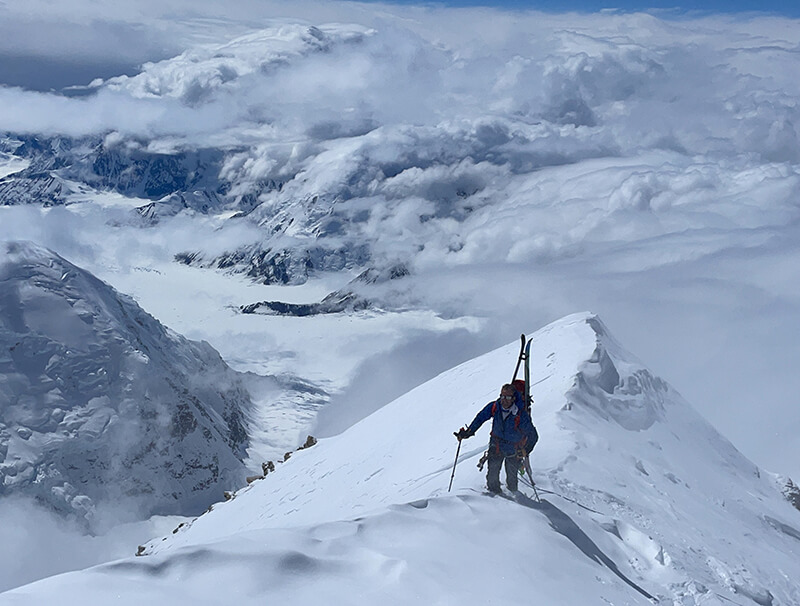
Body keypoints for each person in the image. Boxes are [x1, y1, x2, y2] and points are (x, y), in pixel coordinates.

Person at [455, 383, 538, 493]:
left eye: (508, 397)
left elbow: (533, 435)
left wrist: (525, 450)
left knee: (512, 479)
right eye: (502, 396)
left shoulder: (520, 414)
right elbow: (480, 418)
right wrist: (468, 432)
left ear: (513, 398)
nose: (504, 400)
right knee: (492, 477)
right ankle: (495, 499)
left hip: (514, 449)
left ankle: (514, 501)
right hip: (496, 445)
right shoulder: (495, 407)